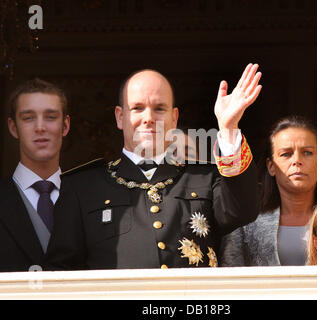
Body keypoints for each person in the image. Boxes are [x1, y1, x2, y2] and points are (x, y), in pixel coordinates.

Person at [45, 64, 262, 270]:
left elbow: (241, 211)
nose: (148, 118)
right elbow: (60, 272)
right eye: (137, 108)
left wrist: (228, 128)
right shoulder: (81, 187)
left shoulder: (205, 177)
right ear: (120, 117)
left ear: (174, 118)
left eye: (159, 108)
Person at [220, 115, 317, 266]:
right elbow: (229, 278)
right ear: (271, 166)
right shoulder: (245, 224)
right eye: (286, 154)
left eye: (307, 152)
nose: (297, 160)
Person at [0, 78, 70, 272]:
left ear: (65, 126)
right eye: (28, 117)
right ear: (13, 127)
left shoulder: (89, 197)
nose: (40, 127)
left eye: (50, 117)